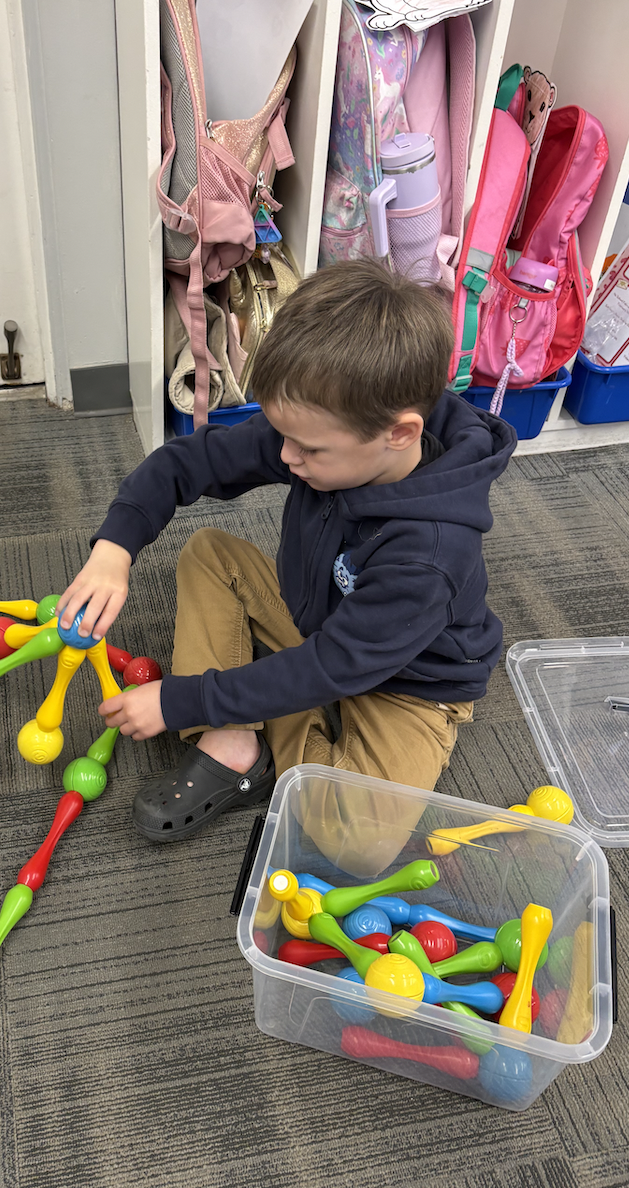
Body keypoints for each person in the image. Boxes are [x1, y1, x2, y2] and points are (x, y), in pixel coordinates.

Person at [55, 259, 517, 867]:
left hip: (412, 686)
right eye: (281, 435)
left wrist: (182, 701)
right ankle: (241, 728)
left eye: (308, 448)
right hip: (321, 614)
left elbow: (333, 665)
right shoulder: (329, 428)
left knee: (356, 845)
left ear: (400, 434)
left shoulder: (429, 553)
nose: (286, 456)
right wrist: (113, 550)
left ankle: (263, 705)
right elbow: (186, 464)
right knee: (208, 555)